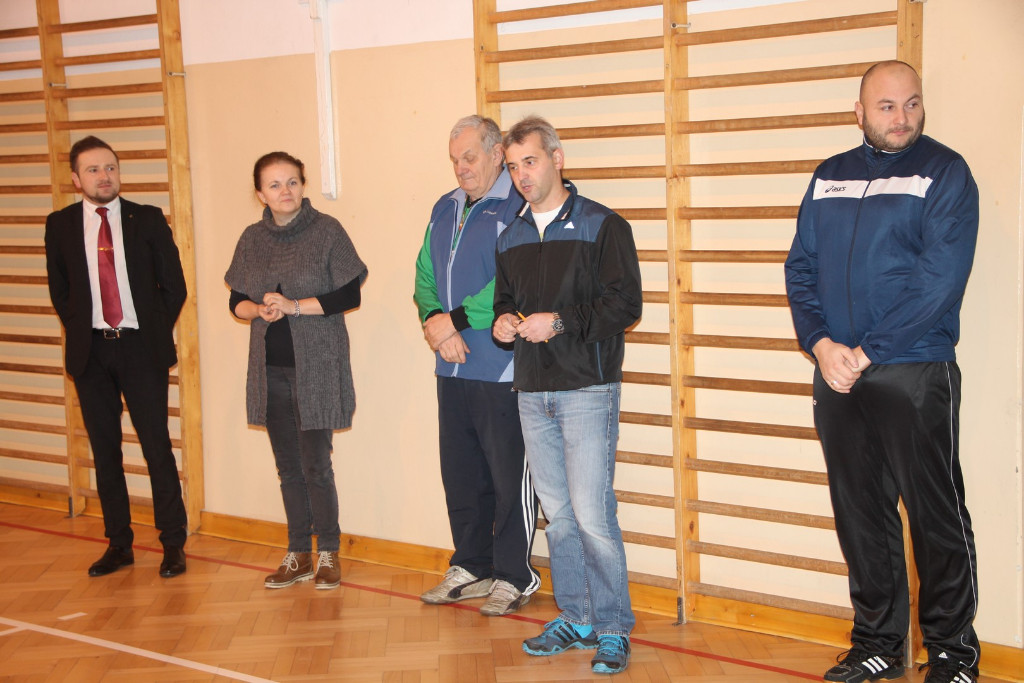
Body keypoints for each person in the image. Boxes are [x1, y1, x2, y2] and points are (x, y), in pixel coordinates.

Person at [785, 61, 980, 683]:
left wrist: (867, 351)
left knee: (934, 514)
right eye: (887, 106)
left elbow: (940, 281)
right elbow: (801, 268)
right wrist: (820, 345)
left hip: (913, 369)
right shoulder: (829, 175)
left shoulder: (945, 172)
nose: (902, 118)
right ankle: (877, 644)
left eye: (912, 104)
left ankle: (952, 652)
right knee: (861, 513)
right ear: (860, 111)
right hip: (837, 373)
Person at [493, 116, 642, 675]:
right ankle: (576, 616)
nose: (521, 175)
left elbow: (625, 304)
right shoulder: (509, 236)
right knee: (557, 515)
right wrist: (503, 323)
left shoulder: (603, 225)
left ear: (557, 159)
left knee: (592, 515)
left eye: (529, 162)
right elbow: (504, 303)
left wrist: (558, 322)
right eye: (513, 167)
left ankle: (612, 627)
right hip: (532, 391)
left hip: (587, 389)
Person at [44, 135, 189, 578]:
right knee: (105, 450)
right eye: (93, 169)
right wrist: (84, 330)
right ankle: (119, 544)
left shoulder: (147, 219)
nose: (103, 176)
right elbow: (61, 291)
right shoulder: (60, 225)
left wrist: (151, 332)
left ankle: (173, 544)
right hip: (91, 352)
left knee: (156, 447)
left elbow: (174, 286)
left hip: (141, 348)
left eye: (110, 167)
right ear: (76, 179)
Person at [413, 115, 540, 615]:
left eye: (469, 157)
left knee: (509, 479)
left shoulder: (518, 205)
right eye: (454, 160)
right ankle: (472, 565)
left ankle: (514, 575)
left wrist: (455, 322)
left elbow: (515, 282)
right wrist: (433, 320)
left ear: (495, 154)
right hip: (452, 367)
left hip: (502, 367)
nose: (461, 168)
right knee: (462, 473)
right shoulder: (444, 207)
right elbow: (424, 273)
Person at [226, 152, 367, 590]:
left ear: (303, 185)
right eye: (274, 184)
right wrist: (260, 310)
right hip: (269, 370)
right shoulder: (251, 238)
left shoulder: (327, 231)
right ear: (260, 194)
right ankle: (298, 553)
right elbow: (236, 302)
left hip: (317, 368)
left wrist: (295, 307)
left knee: (316, 465)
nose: (284, 191)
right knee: (287, 466)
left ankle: (328, 552)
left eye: (292, 182)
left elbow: (349, 295)